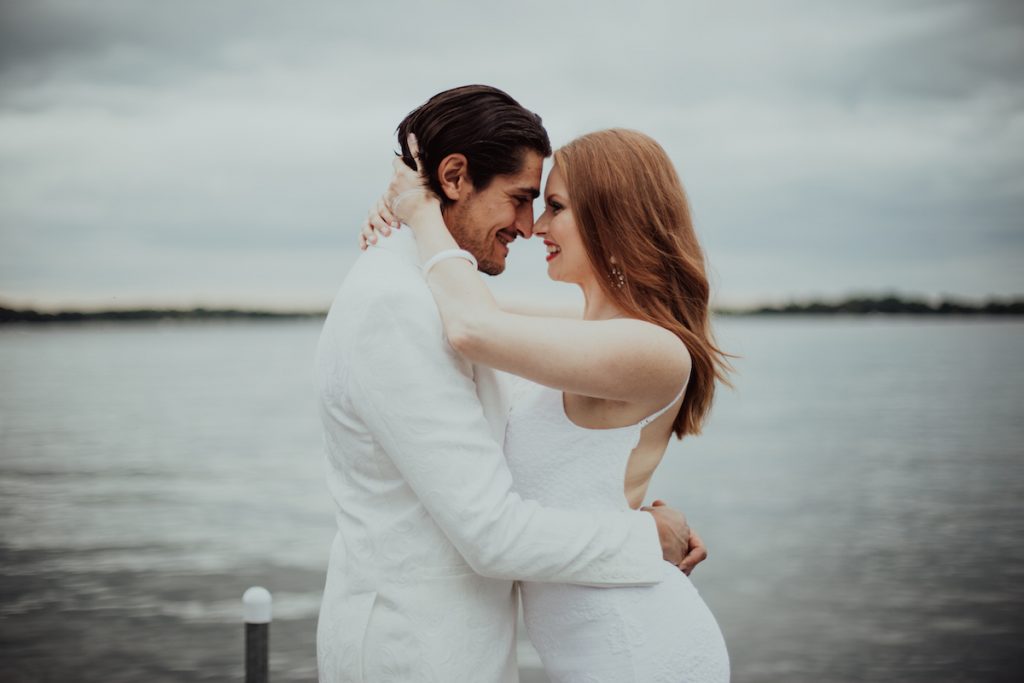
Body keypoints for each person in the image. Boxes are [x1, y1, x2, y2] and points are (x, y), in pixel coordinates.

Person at [316, 85, 705, 683]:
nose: (531, 226)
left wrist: (418, 213)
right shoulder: (402, 303)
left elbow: (484, 325)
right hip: (415, 650)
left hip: (623, 643)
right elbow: (479, 324)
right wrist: (642, 536)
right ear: (452, 176)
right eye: (525, 199)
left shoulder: (624, 341)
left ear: (612, 217)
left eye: (551, 205)